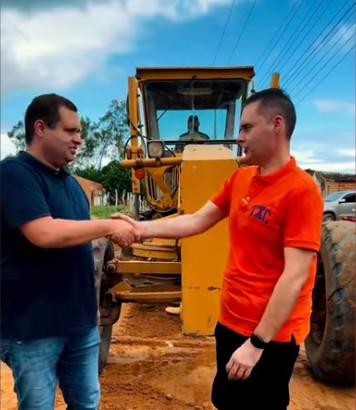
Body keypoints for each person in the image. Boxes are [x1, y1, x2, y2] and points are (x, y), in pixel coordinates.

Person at [113, 88, 323, 410]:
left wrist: (256, 344)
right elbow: (196, 220)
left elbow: (294, 277)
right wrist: (138, 228)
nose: (239, 137)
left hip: (272, 337)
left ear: (277, 125)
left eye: (247, 128)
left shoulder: (301, 192)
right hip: (231, 321)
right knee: (225, 400)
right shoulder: (240, 179)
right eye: (239, 129)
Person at [0, 93, 138, 410]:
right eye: (70, 130)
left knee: (86, 403)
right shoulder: (14, 174)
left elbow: (77, 229)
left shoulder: (71, 184)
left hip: (80, 326)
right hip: (33, 330)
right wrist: (107, 227)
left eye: (79, 132)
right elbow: (44, 233)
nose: (78, 139)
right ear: (40, 128)